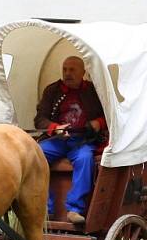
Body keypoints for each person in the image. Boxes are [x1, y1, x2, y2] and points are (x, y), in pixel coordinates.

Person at [35, 56, 107, 224]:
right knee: (37, 154)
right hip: (58, 140)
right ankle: (45, 207)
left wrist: (99, 123)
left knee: (85, 158)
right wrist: (55, 127)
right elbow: (40, 119)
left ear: (83, 72)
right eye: (65, 69)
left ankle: (74, 209)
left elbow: (109, 116)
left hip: (83, 140)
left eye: (72, 70)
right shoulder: (52, 91)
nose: (67, 74)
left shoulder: (93, 91)